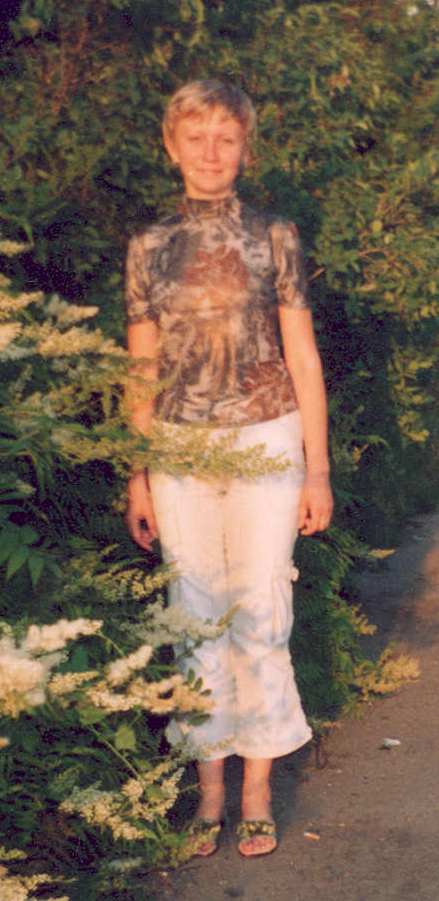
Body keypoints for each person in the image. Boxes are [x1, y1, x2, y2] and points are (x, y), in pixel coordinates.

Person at [125, 79, 333, 858]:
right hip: (178, 449)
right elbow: (140, 369)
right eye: (196, 136)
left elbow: (301, 356)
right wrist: (138, 473)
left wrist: (316, 470)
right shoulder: (148, 246)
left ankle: (255, 790)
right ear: (171, 146)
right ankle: (208, 789)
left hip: (266, 439)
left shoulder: (274, 234)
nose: (210, 152)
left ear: (245, 148)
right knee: (194, 613)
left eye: (226, 138)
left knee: (260, 611)